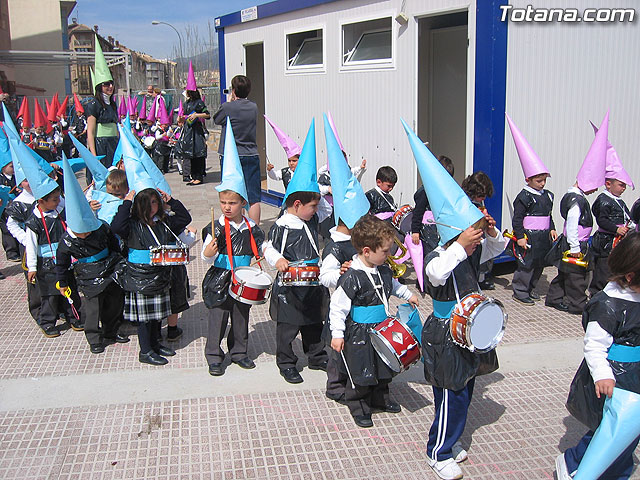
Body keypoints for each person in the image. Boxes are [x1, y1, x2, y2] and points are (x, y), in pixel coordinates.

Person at [402, 118, 505, 480]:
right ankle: (438, 450)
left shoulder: (472, 242)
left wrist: (488, 234)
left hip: (470, 326)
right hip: (447, 329)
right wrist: (461, 246)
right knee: (449, 393)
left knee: (467, 386)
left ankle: (453, 438)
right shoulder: (439, 242)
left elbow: (495, 251)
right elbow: (433, 275)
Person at [557, 232, 640, 480]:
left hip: (635, 372)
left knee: (631, 430)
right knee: (611, 429)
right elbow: (594, 345)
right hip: (616, 376)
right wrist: (603, 375)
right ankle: (574, 462)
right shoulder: (608, 304)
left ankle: (617, 471)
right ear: (630, 276)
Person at [329, 216, 417, 428]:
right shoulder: (352, 276)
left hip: (381, 328)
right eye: (385, 251)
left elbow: (393, 286)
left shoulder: (384, 269)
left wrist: (408, 294)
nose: (389, 255)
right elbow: (338, 306)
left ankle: (381, 398)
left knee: (382, 366)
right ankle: (359, 405)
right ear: (367, 251)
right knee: (360, 370)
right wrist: (337, 334)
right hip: (359, 332)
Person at [263, 121, 330, 384]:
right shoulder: (282, 225)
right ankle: (286, 361)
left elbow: (326, 209)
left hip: (312, 281)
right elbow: (268, 247)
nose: (317, 210)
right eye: (312, 206)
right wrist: (277, 260)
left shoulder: (311, 218)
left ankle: (316, 354)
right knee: (288, 326)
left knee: (314, 321)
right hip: (290, 285)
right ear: (298, 204)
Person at [319, 113, 372, 404]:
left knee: (359, 346)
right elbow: (324, 276)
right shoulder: (335, 246)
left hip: (363, 306)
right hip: (340, 304)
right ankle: (335, 386)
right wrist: (341, 270)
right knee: (338, 347)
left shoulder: (359, 241)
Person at [55, 156, 127, 354]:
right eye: (81, 232)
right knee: (93, 308)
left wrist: (118, 263)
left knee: (114, 303)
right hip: (88, 274)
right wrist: (62, 282)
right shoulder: (66, 241)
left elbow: (114, 245)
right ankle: (94, 337)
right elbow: (61, 265)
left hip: (109, 268)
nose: (85, 235)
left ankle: (112, 330)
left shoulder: (101, 228)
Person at [546, 113, 609, 315]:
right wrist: (575, 247)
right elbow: (572, 224)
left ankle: (554, 298)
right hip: (575, 243)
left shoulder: (575, 197)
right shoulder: (576, 200)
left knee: (565, 273)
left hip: (575, 241)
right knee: (576, 276)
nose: (594, 191)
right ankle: (578, 305)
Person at [505, 115, 557, 305]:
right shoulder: (524, 196)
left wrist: (551, 226)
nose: (542, 183)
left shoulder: (548, 195)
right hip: (528, 234)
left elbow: (549, 214)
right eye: (538, 180)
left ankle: (532, 288)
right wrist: (519, 235)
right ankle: (520, 290)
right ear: (528, 180)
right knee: (526, 264)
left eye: (544, 180)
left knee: (539, 263)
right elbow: (517, 218)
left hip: (543, 235)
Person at [25, 180, 84, 337]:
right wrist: (32, 267)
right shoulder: (33, 222)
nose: (58, 201)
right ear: (41, 201)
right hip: (46, 264)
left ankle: (74, 316)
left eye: (59, 198)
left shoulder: (60, 212)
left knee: (70, 290)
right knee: (50, 295)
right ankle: (47, 322)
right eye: (55, 199)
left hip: (64, 260)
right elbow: (30, 246)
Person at [213, 75, 260, 223]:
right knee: (253, 196)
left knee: (232, 192)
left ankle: (235, 225)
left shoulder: (228, 107)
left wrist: (229, 102)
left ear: (233, 90)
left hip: (232, 156)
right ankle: (255, 231)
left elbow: (216, 119)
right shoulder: (253, 107)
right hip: (251, 153)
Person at [411, 155, 455, 290]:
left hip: (439, 226)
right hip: (427, 227)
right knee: (429, 253)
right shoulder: (426, 190)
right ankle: (424, 282)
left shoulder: (445, 190)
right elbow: (417, 212)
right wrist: (415, 231)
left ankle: (433, 281)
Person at [589, 175, 635, 297]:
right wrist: (616, 229)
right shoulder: (603, 200)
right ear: (609, 184)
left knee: (613, 267)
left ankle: (610, 291)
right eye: (621, 185)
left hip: (617, 240)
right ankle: (597, 294)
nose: (623, 188)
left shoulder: (618, 200)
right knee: (603, 269)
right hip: (606, 241)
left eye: (625, 185)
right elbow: (602, 220)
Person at [85, 37, 119, 176]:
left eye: (111, 83)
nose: (110, 86)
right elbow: (91, 132)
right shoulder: (94, 104)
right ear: (100, 86)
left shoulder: (112, 103)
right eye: (106, 84)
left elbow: (115, 127)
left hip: (113, 143)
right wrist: (94, 155)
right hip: (100, 145)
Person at [177, 62, 210, 187]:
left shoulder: (198, 103)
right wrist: (181, 118)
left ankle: (198, 176)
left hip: (197, 132)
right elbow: (183, 118)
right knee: (189, 154)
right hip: (188, 132)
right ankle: (192, 175)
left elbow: (207, 114)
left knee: (198, 154)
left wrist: (197, 115)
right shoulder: (186, 104)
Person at [461, 170, 496, 290]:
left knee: (480, 262)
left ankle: (478, 281)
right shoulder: (465, 202)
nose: (483, 198)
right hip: (467, 238)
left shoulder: (479, 202)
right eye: (481, 195)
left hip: (478, 238)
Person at [0, 157, 20, 262]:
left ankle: (19, 250)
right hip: (3, 208)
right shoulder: (1, 178)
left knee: (17, 226)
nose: (13, 168)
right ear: (3, 167)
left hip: (15, 207)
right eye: (11, 166)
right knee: (6, 230)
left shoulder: (16, 178)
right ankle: (11, 252)